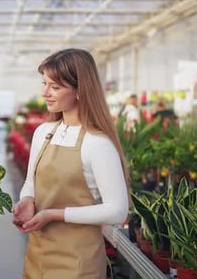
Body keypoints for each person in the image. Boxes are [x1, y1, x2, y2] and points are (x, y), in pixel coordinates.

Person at [12, 48, 129, 279]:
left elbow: (117, 210)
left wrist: (54, 214)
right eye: (44, 83)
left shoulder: (97, 143)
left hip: (78, 261)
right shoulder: (44, 132)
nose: (45, 92)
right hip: (38, 253)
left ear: (79, 91)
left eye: (55, 87)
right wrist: (27, 199)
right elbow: (30, 181)